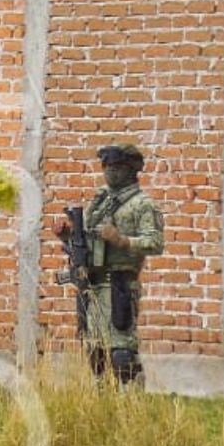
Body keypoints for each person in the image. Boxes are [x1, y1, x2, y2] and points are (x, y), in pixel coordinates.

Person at [51, 143, 164, 384]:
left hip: (119, 283)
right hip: (90, 282)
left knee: (122, 352)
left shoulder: (142, 204)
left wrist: (122, 240)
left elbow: (155, 242)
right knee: (94, 348)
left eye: (116, 167)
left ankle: (131, 403)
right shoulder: (101, 200)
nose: (110, 172)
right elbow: (90, 236)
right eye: (106, 167)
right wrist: (69, 235)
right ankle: (102, 400)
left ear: (132, 169)